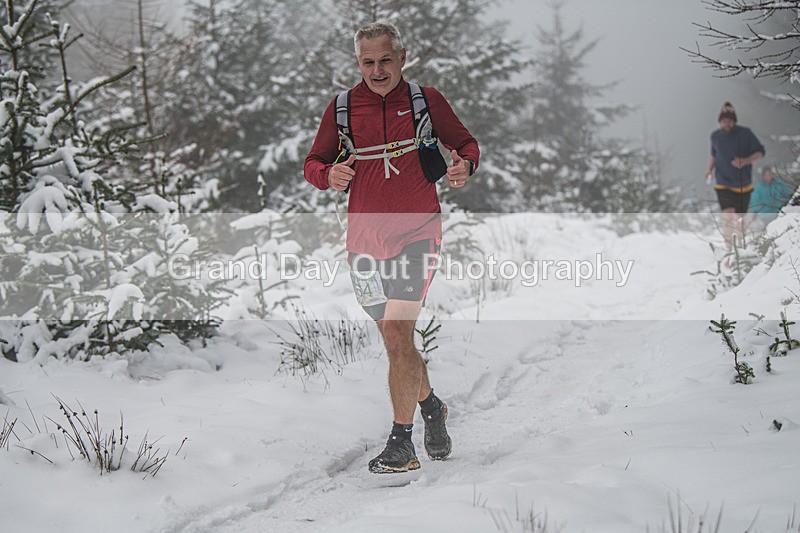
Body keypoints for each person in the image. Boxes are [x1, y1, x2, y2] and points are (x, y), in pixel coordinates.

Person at [304, 22, 479, 474]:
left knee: (399, 335)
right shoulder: (342, 108)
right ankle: (432, 408)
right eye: (368, 62)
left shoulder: (425, 100)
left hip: (418, 233)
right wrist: (328, 175)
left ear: (402, 56)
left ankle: (402, 443)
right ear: (358, 62)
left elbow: (465, 144)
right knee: (395, 341)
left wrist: (464, 165)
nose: (378, 70)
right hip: (363, 242)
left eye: (385, 60)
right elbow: (313, 162)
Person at [703, 101, 765, 251]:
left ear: (734, 121)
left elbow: (760, 152)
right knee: (727, 216)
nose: (727, 124)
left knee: (740, 219)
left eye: (729, 121)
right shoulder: (715, 136)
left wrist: (745, 161)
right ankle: (729, 250)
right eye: (724, 121)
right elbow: (714, 155)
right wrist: (709, 169)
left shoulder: (745, 133)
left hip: (743, 184)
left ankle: (741, 249)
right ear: (719, 121)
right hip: (722, 183)